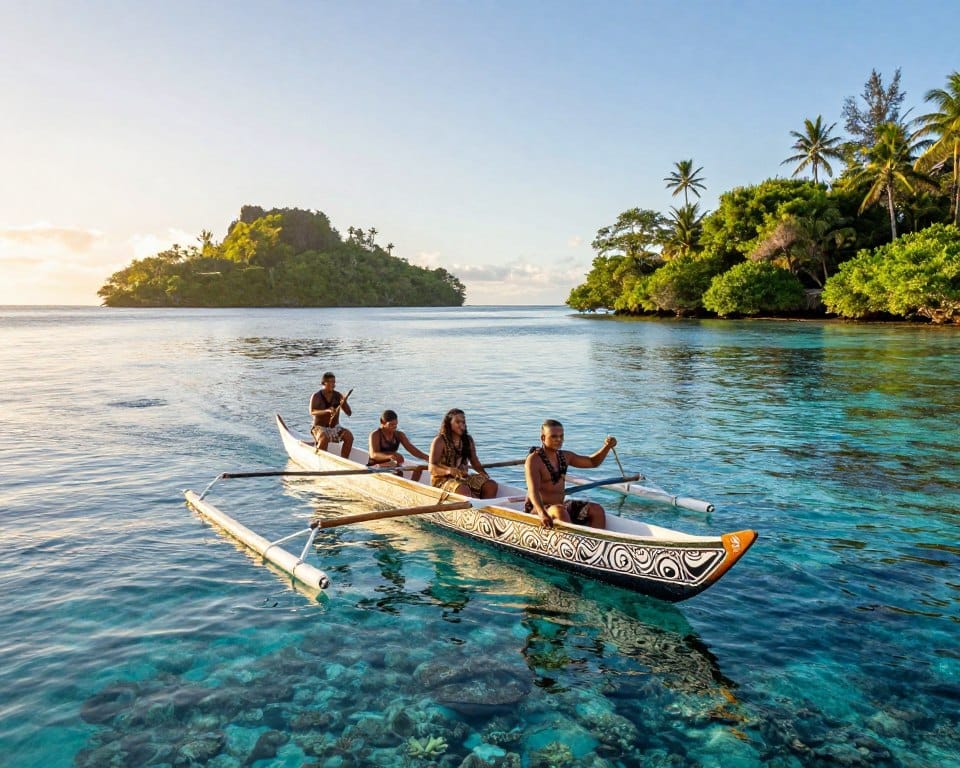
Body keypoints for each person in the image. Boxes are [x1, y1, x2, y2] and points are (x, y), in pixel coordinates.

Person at [524, 419, 617, 529]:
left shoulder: (565, 456)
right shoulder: (534, 460)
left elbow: (593, 462)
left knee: (597, 510)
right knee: (560, 511)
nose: (559, 439)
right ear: (543, 438)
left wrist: (607, 447)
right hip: (538, 509)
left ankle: (597, 543)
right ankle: (572, 543)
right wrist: (542, 514)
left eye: (561, 436)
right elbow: (532, 491)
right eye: (554, 436)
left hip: (560, 507)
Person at [429, 408, 498, 498]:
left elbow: (474, 460)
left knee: (491, 485)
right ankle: (475, 506)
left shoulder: (468, 440)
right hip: (442, 481)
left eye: (463, 422)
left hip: (463, 478)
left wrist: (483, 473)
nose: (462, 425)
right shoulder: (439, 441)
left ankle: (485, 509)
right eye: (458, 422)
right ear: (449, 424)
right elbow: (431, 467)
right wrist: (448, 470)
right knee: (464, 490)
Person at [368, 409, 429, 481]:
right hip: (378, 466)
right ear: (383, 422)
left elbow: (412, 450)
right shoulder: (375, 435)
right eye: (391, 425)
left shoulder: (399, 435)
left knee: (418, 469)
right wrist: (390, 456)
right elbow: (373, 455)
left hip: (394, 467)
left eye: (396, 424)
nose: (394, 427)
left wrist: (427, 458)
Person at [309, 372, 353, 458]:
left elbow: (349, 413)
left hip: (335, 428)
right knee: (324, 438)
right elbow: (312, 411)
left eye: (334, 382)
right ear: (324, 383)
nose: (333, 385)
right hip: (319, 428)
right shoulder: (316, 396)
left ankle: (344, 460)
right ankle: (319, 459)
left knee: (349, 436)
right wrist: (327, 411)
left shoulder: (338, 395)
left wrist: (344, 403)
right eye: (331, 382)